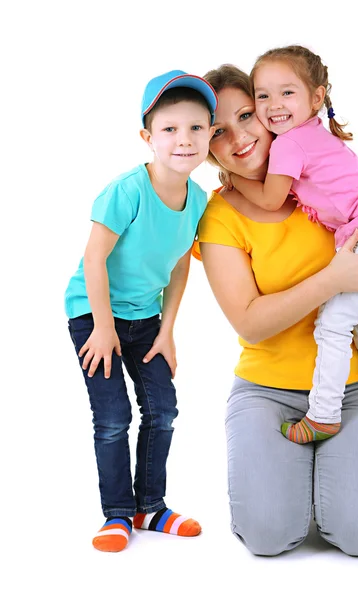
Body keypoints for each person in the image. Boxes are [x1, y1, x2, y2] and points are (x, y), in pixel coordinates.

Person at [195, 64, 358, 557]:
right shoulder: (220, 216)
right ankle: (298, 470)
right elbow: (249, 322)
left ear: (267, 111)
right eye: (218, 130)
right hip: (268, 392)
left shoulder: (312, 176)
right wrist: (333, 280)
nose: (238, 137)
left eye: (245, 115)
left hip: (356, 388)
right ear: (205, 144)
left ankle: (340, 456)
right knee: (268, 536)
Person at [228, 45, 358, 461]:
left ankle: (322, 414)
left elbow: (269, 200)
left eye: (287, 93)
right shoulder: (314, 133)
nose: (273, 105)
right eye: (262, 96)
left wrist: (231, 177)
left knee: (332, 326)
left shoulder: (288, 144)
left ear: (316, 98)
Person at [64, 70, 217, 552]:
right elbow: (94, 258)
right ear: (148, 137)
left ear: (211, 134)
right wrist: (104, 328)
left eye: (196, 128)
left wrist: (167, 331)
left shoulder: (199, 201)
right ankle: (117, 515)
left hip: (145, 319)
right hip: (95, 313)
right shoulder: (127, 191)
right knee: (113, 418)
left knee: (163, 410)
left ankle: (150, 507)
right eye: (170, 129)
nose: (184, 139)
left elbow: (178, 270)